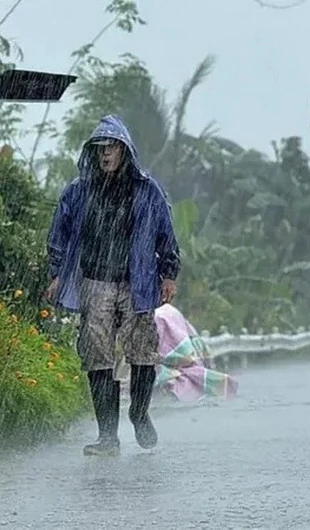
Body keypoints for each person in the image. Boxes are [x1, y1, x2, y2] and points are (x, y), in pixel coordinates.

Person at [44, 114, 180, 457]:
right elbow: (59, 234)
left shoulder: (146, 190)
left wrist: (169, 273)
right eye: (100, 147)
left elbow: (166, 234)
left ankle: (138, 413)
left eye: (113, 147)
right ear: (92, 152)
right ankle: (108, 436)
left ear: (125, 151)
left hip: (137, 282)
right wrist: (57, 273)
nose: (106, 153)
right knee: (97, 356)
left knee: (142, 352)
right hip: (95, 281)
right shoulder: (78, 191)